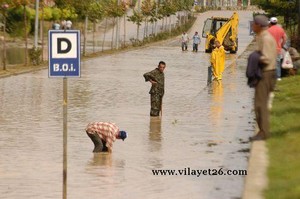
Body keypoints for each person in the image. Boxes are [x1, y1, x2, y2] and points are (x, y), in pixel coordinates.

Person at [249, 15, 277, 141]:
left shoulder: (265, 38)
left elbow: (267, 58)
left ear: (258, 25)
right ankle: (262, 131)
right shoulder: (261, 36)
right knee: (258, 104)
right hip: (264, 73)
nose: (252, 26)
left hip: (266, 73)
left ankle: (264, 132)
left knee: (260, 104)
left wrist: (254, 58)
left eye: (253, 24)